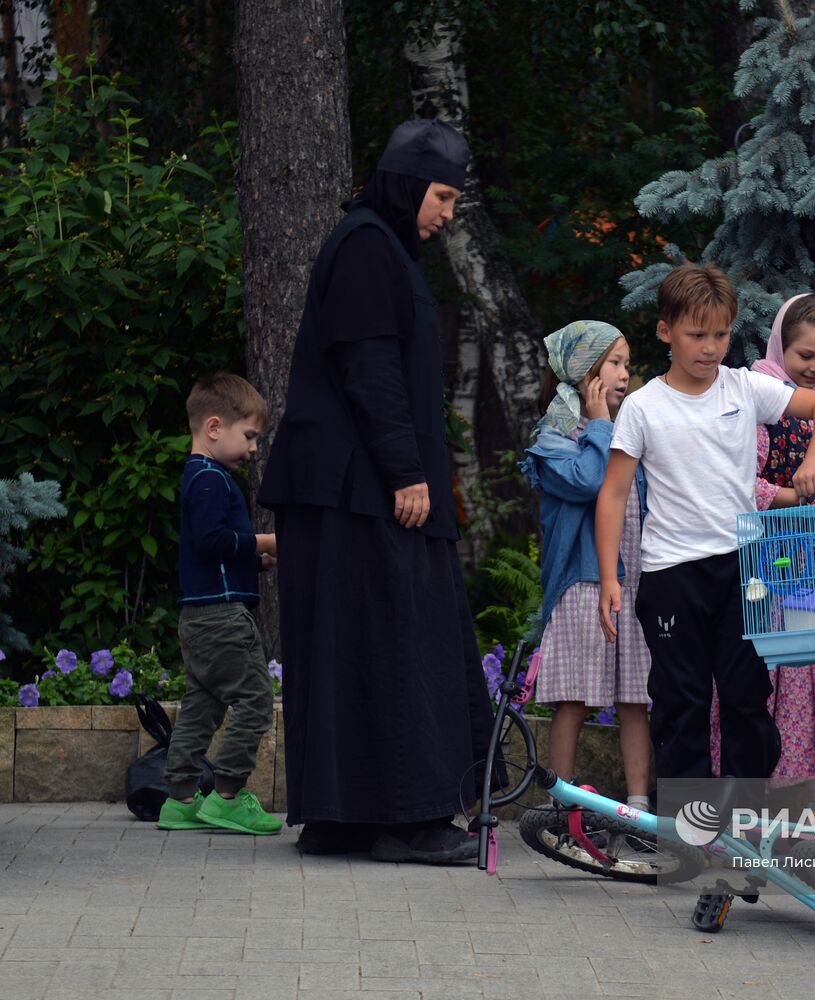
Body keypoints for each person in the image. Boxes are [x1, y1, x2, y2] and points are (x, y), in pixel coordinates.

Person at [257, 118, 496, 865]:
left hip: (346, 490)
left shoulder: (376, 244)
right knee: (399, 639)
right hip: (363, 488)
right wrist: (407, 472)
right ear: (406, 183)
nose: (447, 212)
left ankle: (342, 818)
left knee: (348, 646)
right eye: (443, 194)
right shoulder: (365, 245)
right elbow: (369, 368)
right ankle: (407, 820)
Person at [595, 264, 815, 922]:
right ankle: (690, 838)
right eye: (696, 335)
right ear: (666, 332)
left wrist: (814, 457)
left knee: (744, 699)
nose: (710, 348)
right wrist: (610, 580)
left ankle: (744, 832)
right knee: (679, 704)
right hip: (671, 576)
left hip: (741, 569)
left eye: (720, 335)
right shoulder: (646, 405)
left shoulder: (744, 388)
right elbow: (614, 493)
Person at [709, 293, 815, 817]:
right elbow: (738, 485)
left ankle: (813, 812)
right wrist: (799, 498)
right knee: (755, 684)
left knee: (801, 674)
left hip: (797, 565)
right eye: (806, 355)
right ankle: (744, 811)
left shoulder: (808, 411)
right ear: (781, 345)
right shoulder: (759, 398)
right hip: (756, 566)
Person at [520, 320, 651, 812]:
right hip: (581, 582)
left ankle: (638, 807)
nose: (624, 374)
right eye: (614, 363)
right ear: (582, 369)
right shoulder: (553, 438)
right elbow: (589, 482)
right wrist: (597, 423)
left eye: (627, 364)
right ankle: (562, 805)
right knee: (574, 696)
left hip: (634, 583)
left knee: (635, 697)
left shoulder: (628, 429)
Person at [158, 373, 281, 836]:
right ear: (214, 427)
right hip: (223, 617)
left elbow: (208, 551)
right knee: (254, 699)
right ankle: (226, 795)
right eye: (248, 436)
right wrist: (268, 539)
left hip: (199, 614)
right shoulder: (211, 479)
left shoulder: (199, 476)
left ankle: (180, 800)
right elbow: (211, 541)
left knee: (202, 706)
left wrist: (258, 563)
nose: (253, 448)